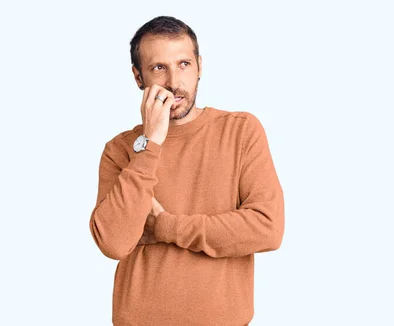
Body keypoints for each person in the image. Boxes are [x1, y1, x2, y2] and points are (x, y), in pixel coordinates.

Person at [89, 16, 285, 325]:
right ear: (138, 76)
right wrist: (150, 142)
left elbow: (267, 228)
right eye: (158, 68)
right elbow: (113, 242)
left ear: (199, 67)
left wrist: (164, 226)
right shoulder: (121, 150)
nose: (173, 82)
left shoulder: (240, 131)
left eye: (183, 64)